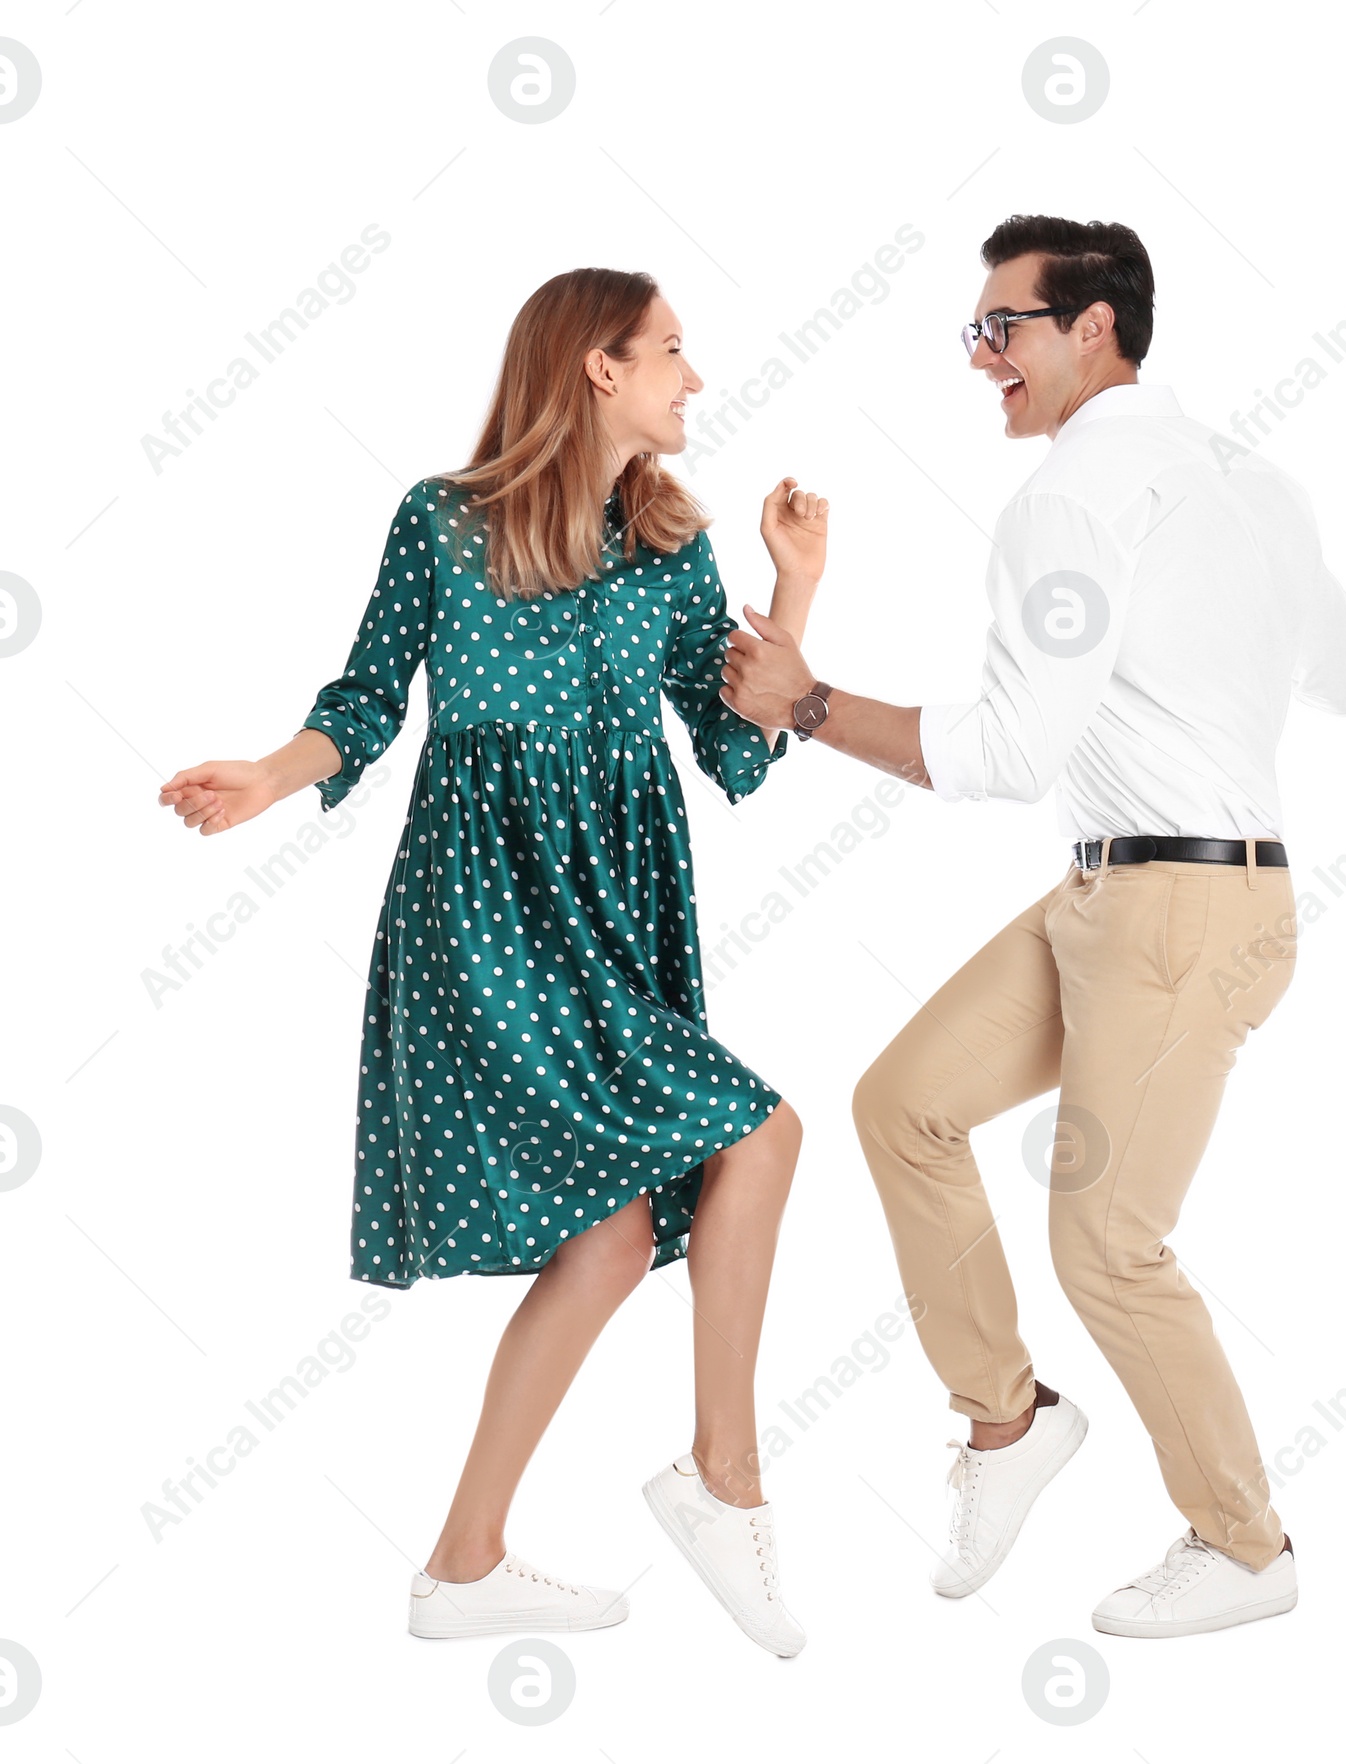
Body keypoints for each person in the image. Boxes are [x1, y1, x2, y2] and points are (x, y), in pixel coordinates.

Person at [719, 215, 1346, 1639]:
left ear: (1094, 329)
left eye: (1001, 328)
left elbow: (1011, 751)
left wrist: (809, 707)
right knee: (903, 1106)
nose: (983, 360)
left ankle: (1244, 1545)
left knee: (1109, 1248)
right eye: (977, 331)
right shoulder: (1250, 480)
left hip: (1178, 913)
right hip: (1126, 891)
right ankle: (1009, 1428)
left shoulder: (1069, 499)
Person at [156, 268, 829, 1659]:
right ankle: (726, 1476)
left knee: (612, 1233)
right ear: (595, 366)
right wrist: (269, 780)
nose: (694, 380)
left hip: (619, 910)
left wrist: (797, 593)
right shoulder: (442, 524)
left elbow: (739, 750)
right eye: (671, 353)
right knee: (760, 1135)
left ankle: (463, 1566)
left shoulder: (670, 542)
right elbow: (364, 698)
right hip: (485, 910)